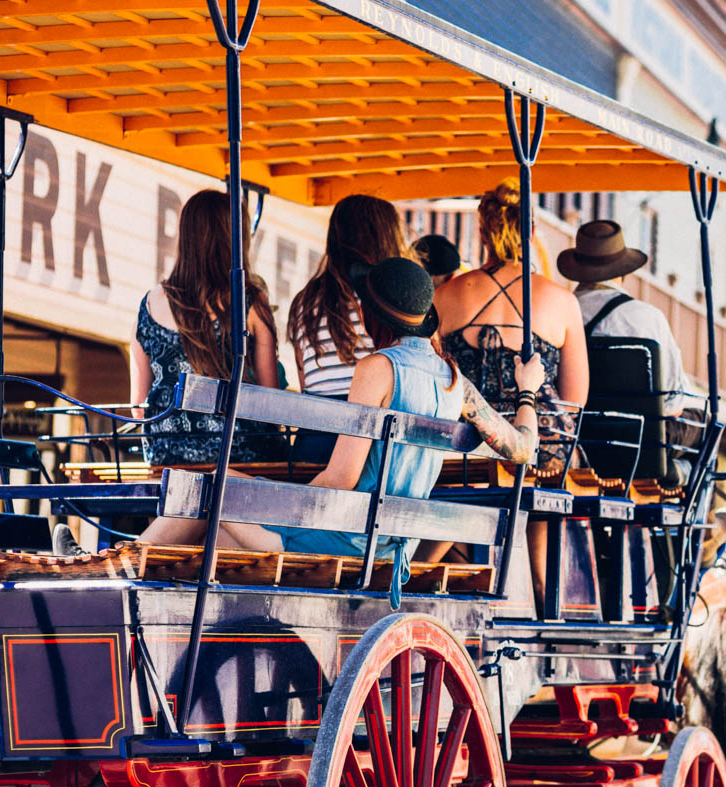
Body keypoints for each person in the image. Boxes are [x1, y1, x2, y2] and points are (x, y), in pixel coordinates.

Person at [127, 258, 542, 605]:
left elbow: (341, 479)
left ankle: (116, 566)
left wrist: (277, 499)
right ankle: (133, 581)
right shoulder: (456, 382)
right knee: (218, 530)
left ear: (369, 314)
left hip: (346, 542)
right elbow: (522, 448)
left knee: (209, 484)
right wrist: (527, 392)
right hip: (392, 546)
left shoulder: (379, 368)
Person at [436, 178, 588, 476]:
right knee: (542, 501)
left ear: (483, 234)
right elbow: (573, 402)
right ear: (531, 233)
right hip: (542, 451)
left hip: (465, 445)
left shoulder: (445, 295)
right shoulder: (562, 300)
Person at [130, 190, 282, 467]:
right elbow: (270, 400)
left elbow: (139, 407)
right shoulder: (248, 302)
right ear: (235, 240)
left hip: (166, 456)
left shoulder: (149, 304)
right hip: (236, 459)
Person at [287, 194, 411, 462]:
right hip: (375, 441)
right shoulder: (392, 300)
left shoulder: (305, 302)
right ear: (388, 239)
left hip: (315, 442)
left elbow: (305, 380)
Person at [557, 219, 691, 397]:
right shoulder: (649, 318)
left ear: (578, 270)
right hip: (641, 424)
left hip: (576, 422)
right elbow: (673, 403)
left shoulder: (556, 313)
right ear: (624, 271)